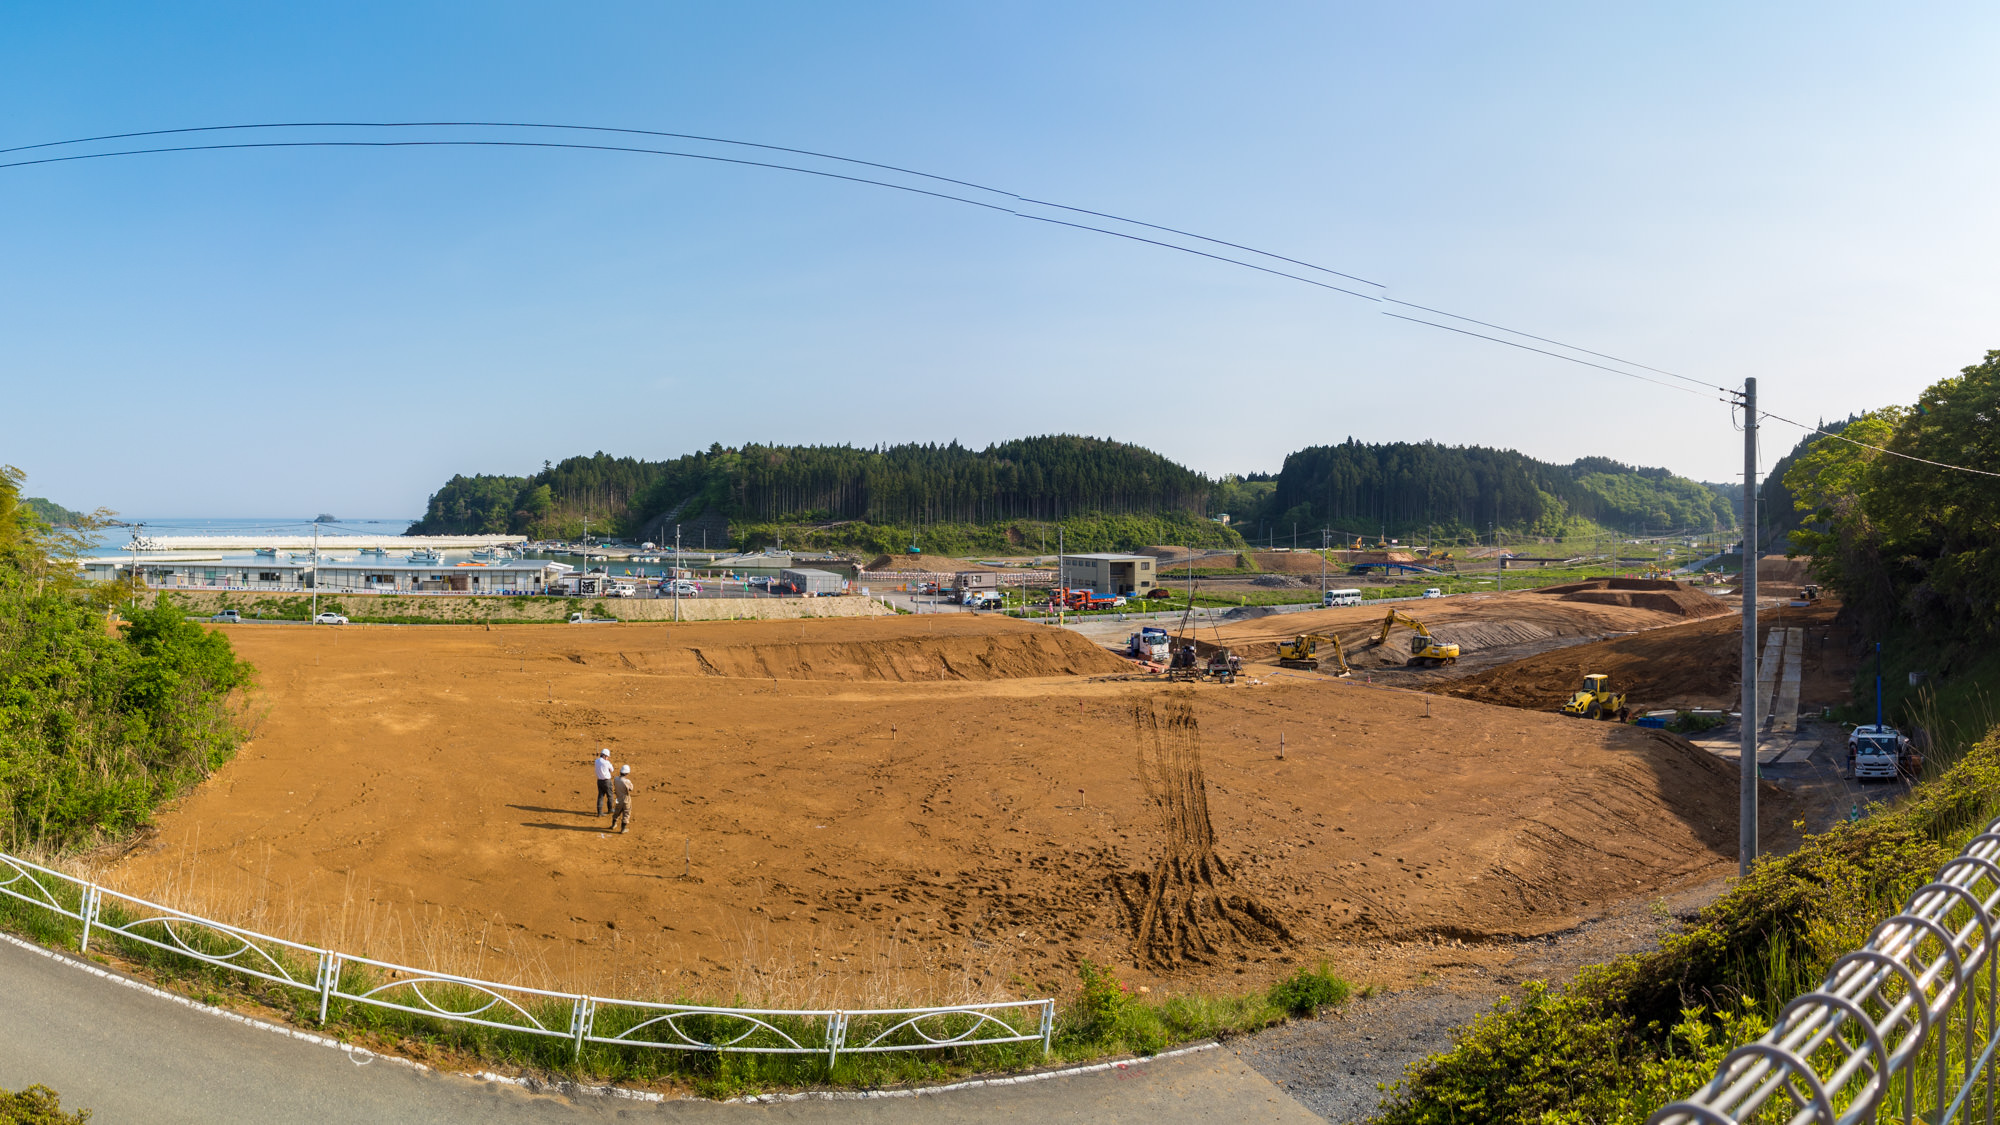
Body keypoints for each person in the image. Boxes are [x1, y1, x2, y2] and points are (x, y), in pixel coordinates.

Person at [611, 764, 633, 834]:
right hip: (626, 799)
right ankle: (623, 829)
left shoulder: (616, 779)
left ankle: (613, 824)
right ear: (627, 773)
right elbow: (631, 788)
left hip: (618, 799)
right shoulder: (627, 781)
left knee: (617, 811)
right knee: (626, 813)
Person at [593, 748, 614, 816]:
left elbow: (598, 761)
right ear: (604, 756)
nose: (607, 758)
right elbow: (612, 770)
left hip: (599, 781)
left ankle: (599, 812)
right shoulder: (606, 762)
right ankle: (610, 809)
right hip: (607, 781)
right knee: (610, 796)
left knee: (600, 796)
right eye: (607, 756)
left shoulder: (596, 761)